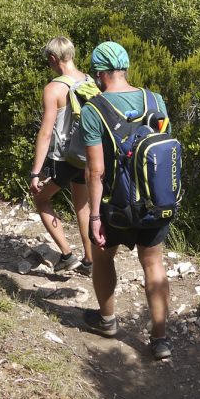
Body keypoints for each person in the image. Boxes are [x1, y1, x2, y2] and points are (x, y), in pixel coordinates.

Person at [80, 41, 173, 361]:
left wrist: (94, 217)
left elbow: (95, 170)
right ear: (124, 68)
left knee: (103, 258)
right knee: (154, 263)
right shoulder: (154, 99)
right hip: (155, 201)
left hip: (116, 204)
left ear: (99, 73)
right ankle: (160, 339)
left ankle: (107, 321)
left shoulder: (94, 109)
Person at [27, 37, 94, 275]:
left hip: (64, 158)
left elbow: (46, 133)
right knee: (83, 207)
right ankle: (89, 261)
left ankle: (66, 255)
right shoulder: (89, 80)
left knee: (41, 199)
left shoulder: (53, 89)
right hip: (87, 156)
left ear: (54, 59)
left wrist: (36, 172)